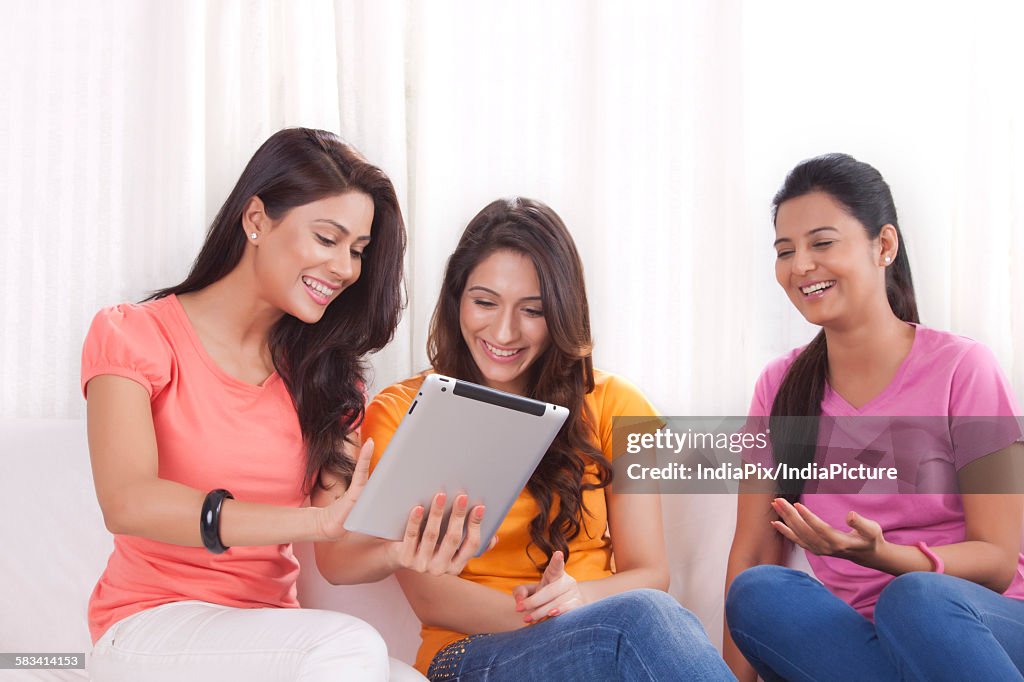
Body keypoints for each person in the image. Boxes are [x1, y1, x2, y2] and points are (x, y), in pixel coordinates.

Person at [83, 128, 488, 681]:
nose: (346, 268)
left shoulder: (328, 380)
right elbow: (127, 501)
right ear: (256, 219)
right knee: (350, 649)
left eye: (358, 251)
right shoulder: (133, 335)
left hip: (270, 635)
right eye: (328, 239)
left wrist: (401, 549)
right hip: (149, 626)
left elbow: (337, 546)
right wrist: (313, 521)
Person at [362, 197, 735, 681]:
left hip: (600, 633)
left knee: (642, 617)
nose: (504, 330)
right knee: (637, 621)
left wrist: (580, 600)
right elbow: (430, 595)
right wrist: (555, 616)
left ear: (561, 312)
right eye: (484, 302)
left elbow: (650, 572)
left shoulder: (616, 403)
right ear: (457, 300)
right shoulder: (402, 411)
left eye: (532, 310)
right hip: (472, 656)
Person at [723, 153, 1024, 681]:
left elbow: (999, 560)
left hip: (977, 625)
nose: (799, 267)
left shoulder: (963, 368)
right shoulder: (779, 386)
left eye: (822, 243)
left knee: (914, 600)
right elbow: (753, 551)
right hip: (861, 649)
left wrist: (887, 556)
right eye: (784, 251)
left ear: (883, 246)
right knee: (757, 592)